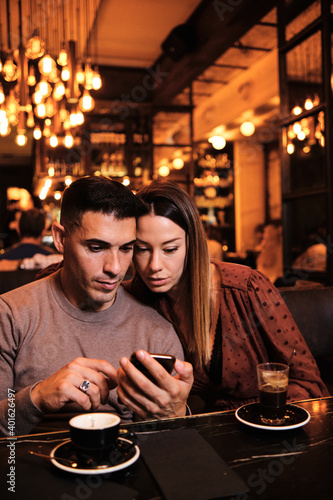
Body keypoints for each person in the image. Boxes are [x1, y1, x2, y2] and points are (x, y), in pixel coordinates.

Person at [0, 176, 193, 437]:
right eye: (96, 247)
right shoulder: (10, 314)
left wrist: (176, 416)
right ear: (60, 239)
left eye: (126, 248)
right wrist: (37, 398)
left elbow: (174, 447)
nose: (114, 268)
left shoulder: (156, 330)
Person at [118, 180, 329, 414]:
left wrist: (270, 414)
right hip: (205, 432)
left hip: (269, 423)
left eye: (170, 249)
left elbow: (310, 384)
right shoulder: (136, 295)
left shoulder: (247, 288)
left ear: (192, 244)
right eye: (142, 249)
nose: (154, 266)